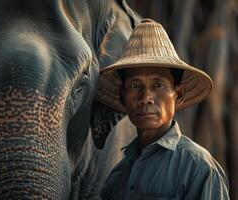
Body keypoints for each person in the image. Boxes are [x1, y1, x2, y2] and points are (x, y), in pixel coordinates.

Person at [96, 18, 230, 199]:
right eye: (135, 86)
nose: (145, 98)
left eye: (158, 84)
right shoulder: (117, 177)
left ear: (179, 95)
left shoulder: (198, 169)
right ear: (122, 96)